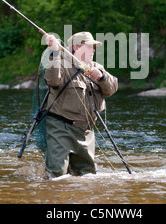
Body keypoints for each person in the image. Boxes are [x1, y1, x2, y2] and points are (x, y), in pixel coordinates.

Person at [43, 31, 118, 178]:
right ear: (77, 47)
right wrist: (54, 52)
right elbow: (52, 80)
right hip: (61, 128)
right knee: (57, 175)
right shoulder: (61, 64)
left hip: (86, 131)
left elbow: (112, 89)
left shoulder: (96, 66)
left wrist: (102, 77)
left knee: (87, 176)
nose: (93, 50)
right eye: (90, 46)